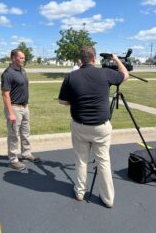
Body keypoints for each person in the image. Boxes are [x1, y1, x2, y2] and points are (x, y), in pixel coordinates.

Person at [58, 46, 129, 207]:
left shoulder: (71, 76)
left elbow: (62, 101)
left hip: (79, 126)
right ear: (94, 59)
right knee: (103, 161)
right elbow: (125, 75)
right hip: (101, 127)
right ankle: (108, 199)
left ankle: (80, 192)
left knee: (81, 161)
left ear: (80, 60)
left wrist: (76, 101)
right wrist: (116, 59)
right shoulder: (105, 73)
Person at [1, 49, 40, 170]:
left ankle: (26, 153)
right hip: (14, 108)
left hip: (24, 107)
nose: (24, 59)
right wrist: (11, 113)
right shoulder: (8, 73)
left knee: (26, 132)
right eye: (21, 58)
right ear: (13, 58)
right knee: (13, 135)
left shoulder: (22, 70)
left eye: (24, 57)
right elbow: (5, 94)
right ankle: (13, 159)